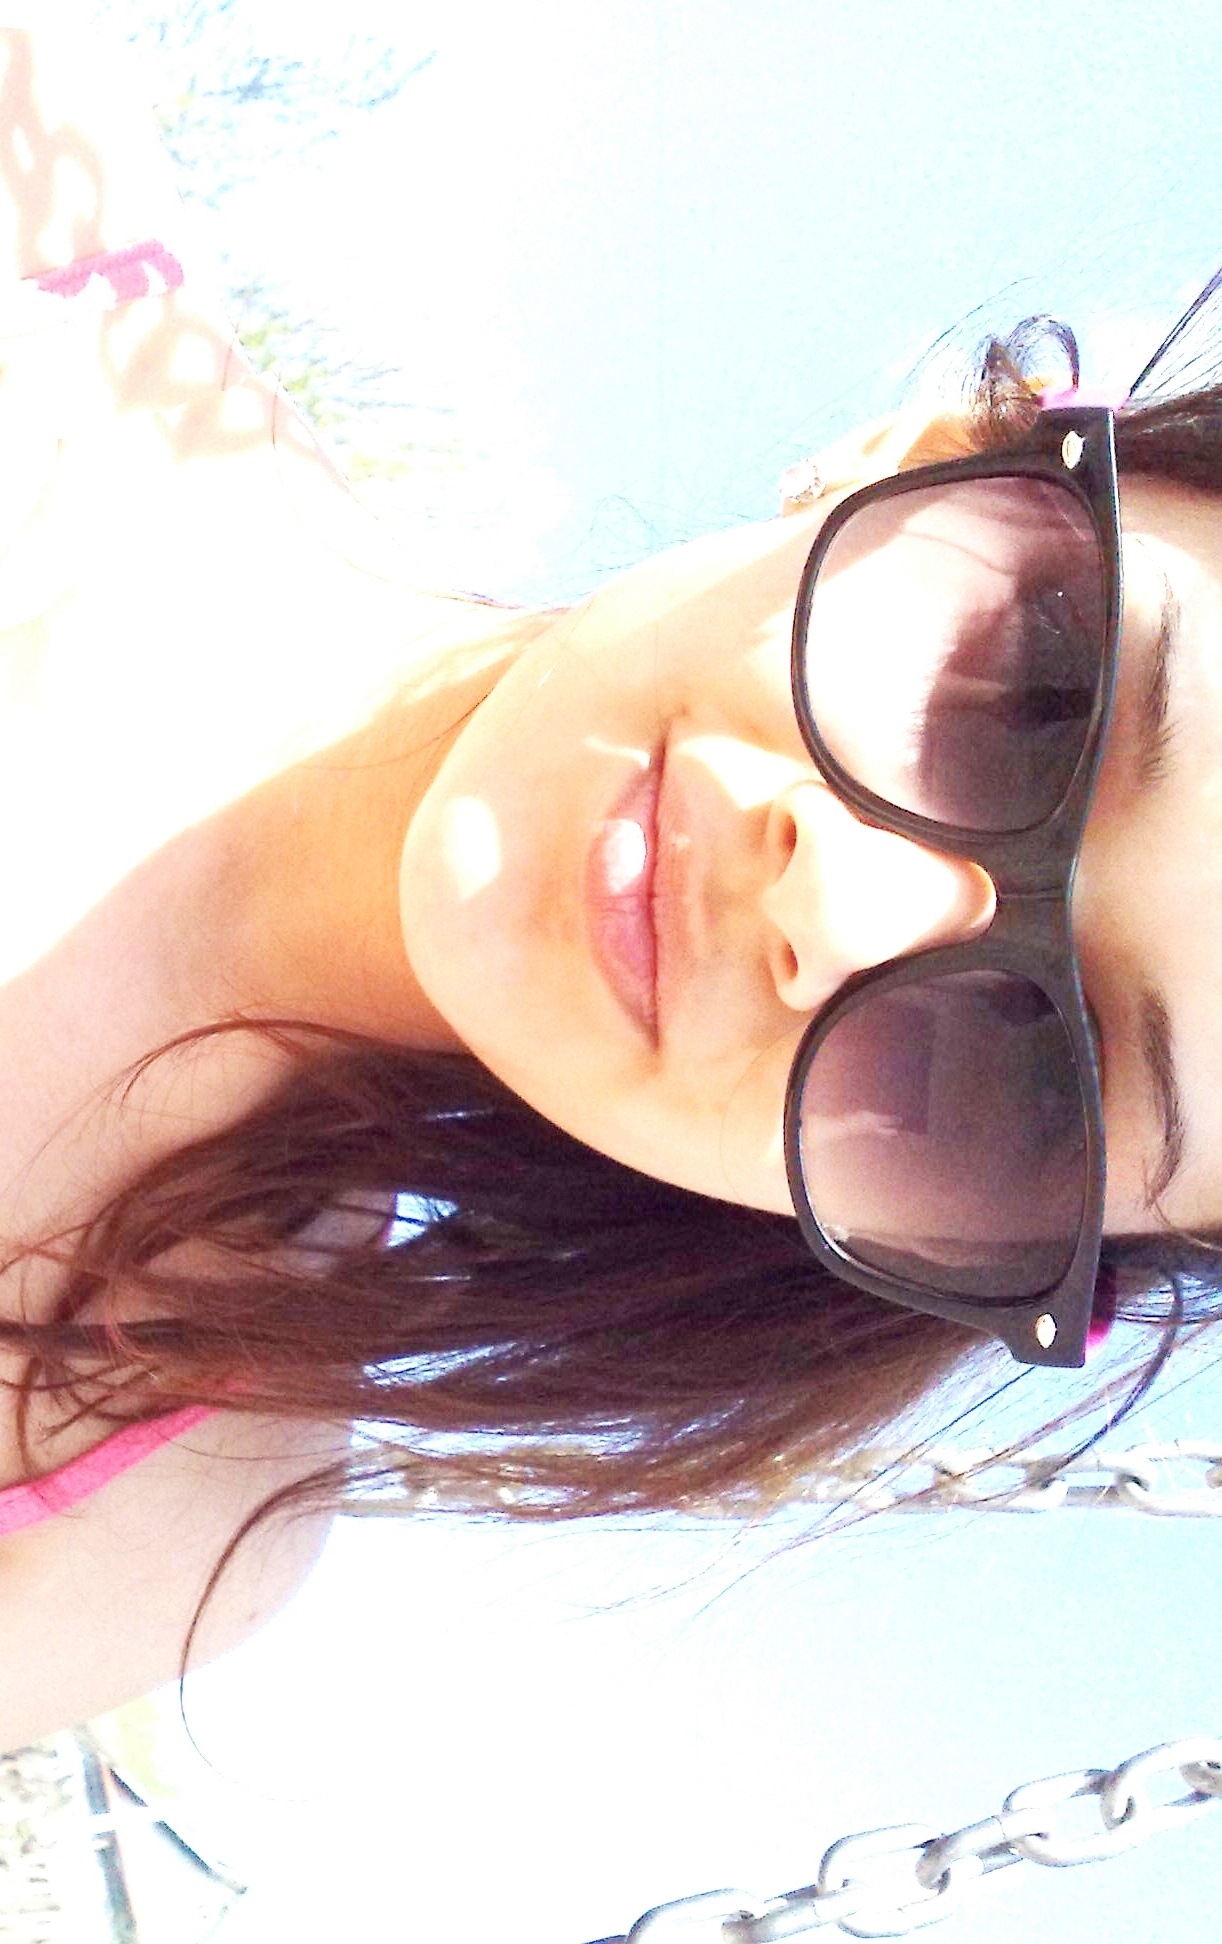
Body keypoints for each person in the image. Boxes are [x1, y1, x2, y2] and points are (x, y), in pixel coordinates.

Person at [0, 16, 1219, 1749]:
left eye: (1041, 1082)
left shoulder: (130, 1545)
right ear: (949, 449)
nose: (838, 912)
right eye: (1038, 693)